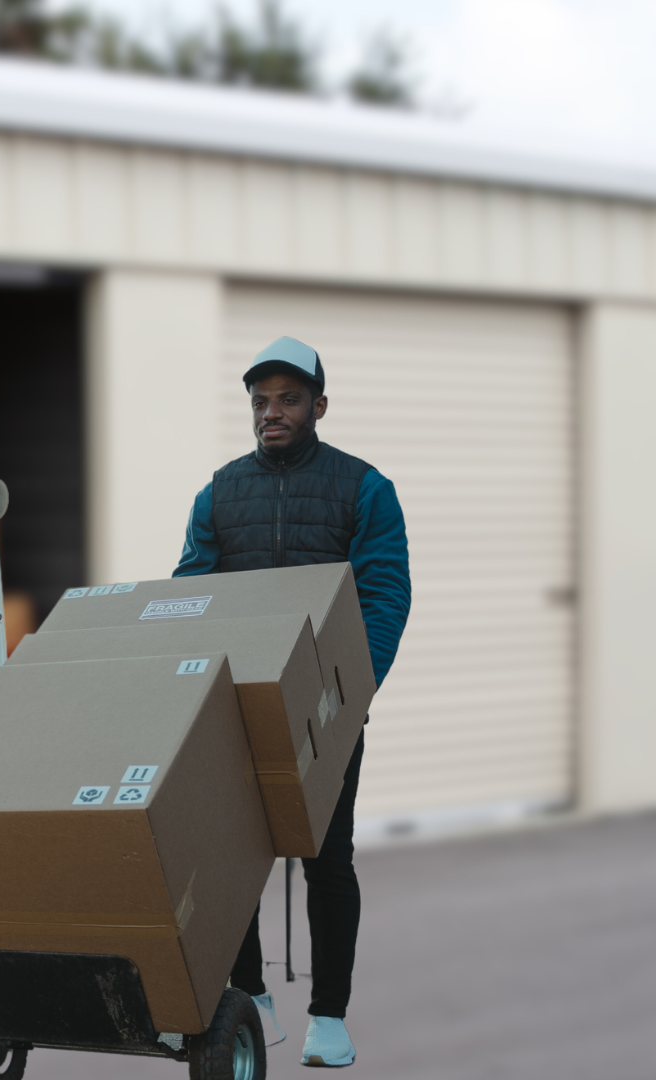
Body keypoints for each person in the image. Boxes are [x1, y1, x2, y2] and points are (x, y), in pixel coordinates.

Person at [172, 337, 410, 1068]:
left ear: (319, 406)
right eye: (260, 401)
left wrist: (353, 693)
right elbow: (191, 590)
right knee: (231, 855)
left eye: (288, 400)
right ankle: (252, 993)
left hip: (324, 710)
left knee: (326, 859)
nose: (270, 412)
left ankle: (329, 1017)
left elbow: (384, 596)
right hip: (236, 706)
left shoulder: (364, 488)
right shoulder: (220, 493)